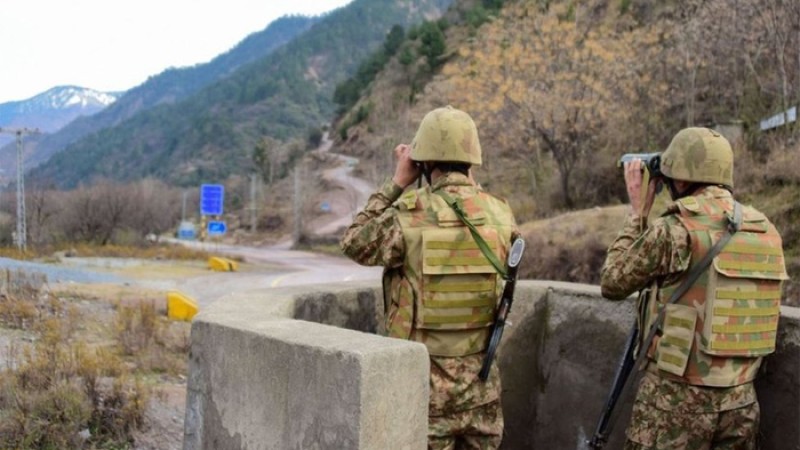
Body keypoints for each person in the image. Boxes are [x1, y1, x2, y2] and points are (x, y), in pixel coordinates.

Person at [340, 106, 519, 449]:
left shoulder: (407, 218)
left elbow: (353, 242)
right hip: (482, 395)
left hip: (422, 395)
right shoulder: (501, 213)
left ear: (422, 162)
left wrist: (396, 183)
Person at [600, 127, 788, 449]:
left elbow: (613, 282)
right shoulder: (764, 231)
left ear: (682, 180)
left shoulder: (676, 229)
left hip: (673, 404)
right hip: (740, 403)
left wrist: (637, 214)